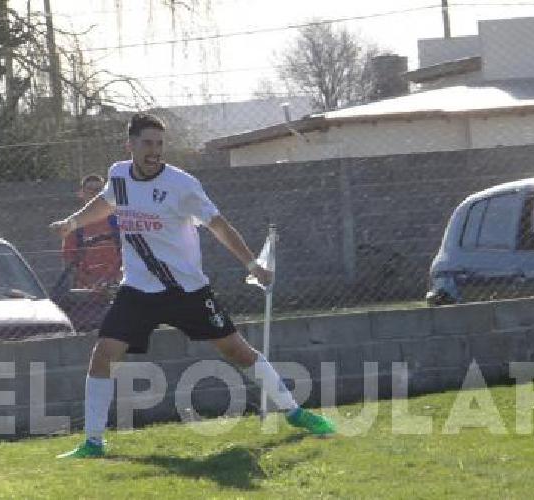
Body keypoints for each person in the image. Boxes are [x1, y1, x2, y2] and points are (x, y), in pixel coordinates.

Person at [50, 113, 335, 459]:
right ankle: (93, 442)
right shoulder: (119, 174)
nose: (154, 151)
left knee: (237, 351)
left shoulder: (181, 184)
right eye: (147, 143)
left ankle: (293, 412)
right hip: (137, 290)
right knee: (103, 356)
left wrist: (251, 264)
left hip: (186, 291)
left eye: (159, 144)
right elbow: (107, 201)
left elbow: (218, 225)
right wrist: (73, 222)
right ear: (131, 145)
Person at [60, 174, 122, 290]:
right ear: (81, 193)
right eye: (90, 190)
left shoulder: (118, 222)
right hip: (86, 290)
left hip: (117, 287)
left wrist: (115, 280)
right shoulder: (74, 226)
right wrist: (91, 283)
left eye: (99, 190)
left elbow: (130, 255)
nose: (94, 193)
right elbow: (69, 261)